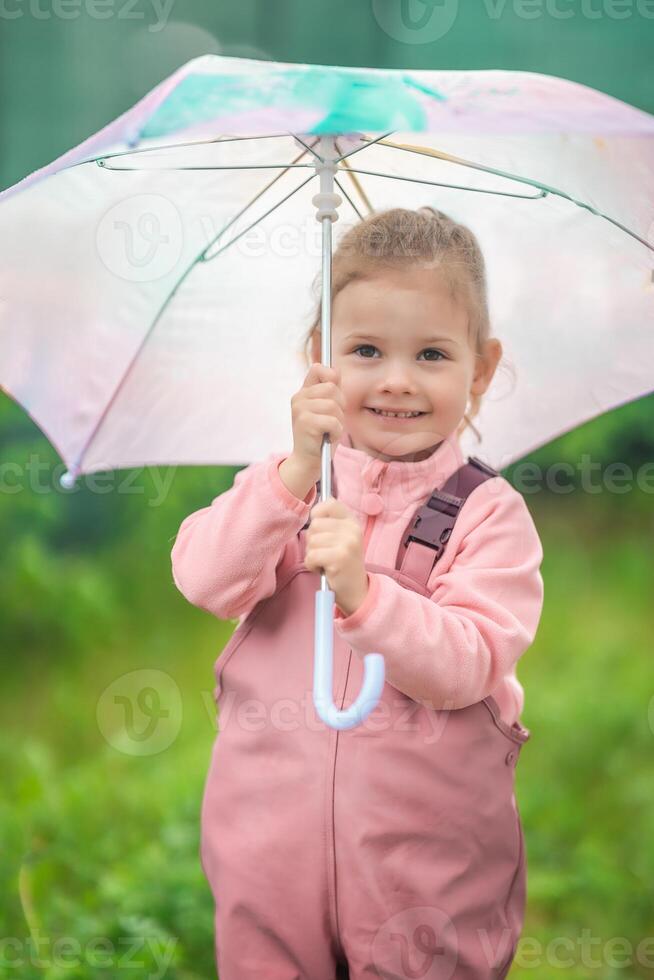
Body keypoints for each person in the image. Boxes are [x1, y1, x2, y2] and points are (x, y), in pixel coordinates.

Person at [171, 206, 545, 979]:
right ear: (321, 358)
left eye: (433, 354)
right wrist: (292, 481)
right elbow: (205, 579)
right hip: (266, 849)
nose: (397, 380)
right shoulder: (287, 486)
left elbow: (470, 661)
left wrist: (365, 594)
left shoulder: (488, 513)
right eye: (366, 349)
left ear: (480, 367)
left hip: (426, 870)